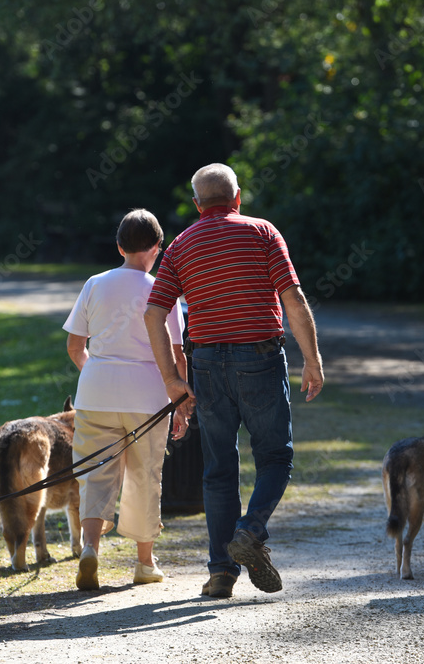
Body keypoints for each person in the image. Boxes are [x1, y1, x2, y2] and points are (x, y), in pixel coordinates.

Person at [144, 163, 324, 598]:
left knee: (219, 470)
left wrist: (171, 377)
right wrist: (312, 359)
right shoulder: (263, 232)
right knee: (275, 458)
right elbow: (293, 298)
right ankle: (250, 530)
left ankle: (221, 573)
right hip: (259, 358)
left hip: (205, 364)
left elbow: (153, 313)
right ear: (238, 197)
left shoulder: (182, 244)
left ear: (197, 204)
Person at [63, 208, 187, 590]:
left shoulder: (95, 283)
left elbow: (74, 345)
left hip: (96, 393)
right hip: (148, 399)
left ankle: (90, 548)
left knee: (94, 474)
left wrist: (95, 373)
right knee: (144, 475)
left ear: (119, 246)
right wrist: (181, 403)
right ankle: (144, 562)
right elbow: (178, 352)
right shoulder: (162, 287)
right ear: (158, 248)